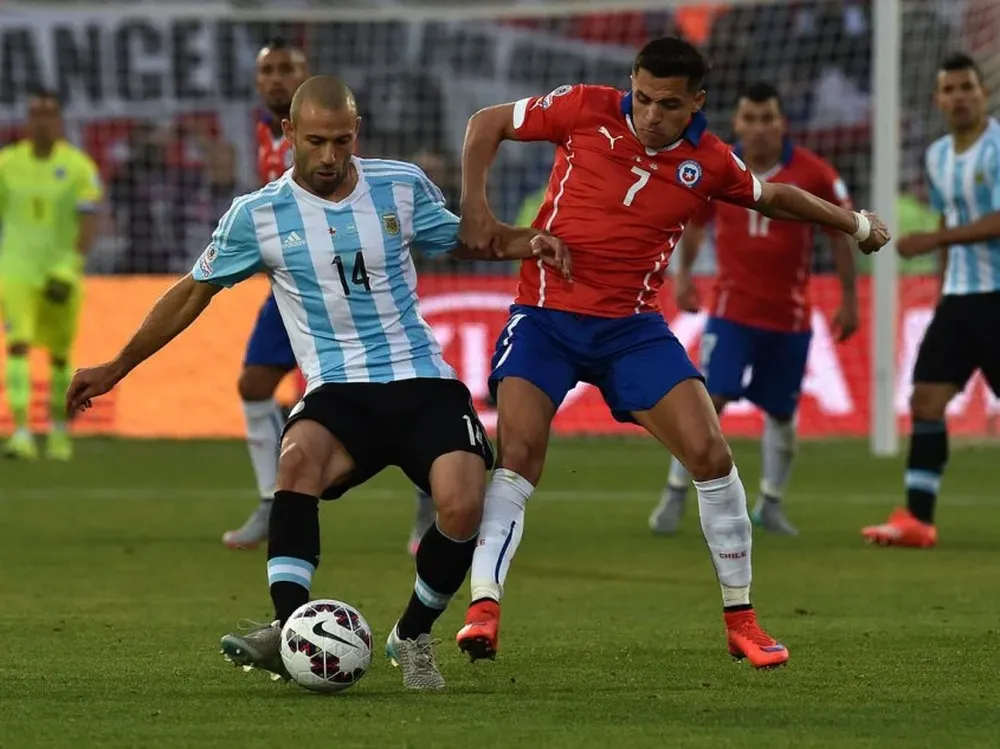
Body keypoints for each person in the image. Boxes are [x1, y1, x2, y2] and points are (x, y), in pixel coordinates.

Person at [65, 76, 569, 691]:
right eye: (317, 142)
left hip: (421, 379)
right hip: (337, 390)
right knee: (297, 462)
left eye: (343, 141)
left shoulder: (400, 185)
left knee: (463, 504)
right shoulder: (257, 215)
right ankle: (289, 631)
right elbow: (192, 293)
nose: (331, 156)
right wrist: (115, 367)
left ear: (356, 134)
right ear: (289, 135)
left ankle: (412, 636)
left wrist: (530, 242)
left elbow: (465, 241)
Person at [455, 37, 888, 668]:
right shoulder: (583, 107)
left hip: (632, 328)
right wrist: (477, 211)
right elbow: (485, 123)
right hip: (545, 316)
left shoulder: (709, 161)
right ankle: (483, 610)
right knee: (518, 451)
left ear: (697, 104)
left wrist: (852, 223)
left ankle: (743, 621)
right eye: (644, 97)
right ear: (631, 84)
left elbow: (776, 197)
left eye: (669, 104)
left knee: (712, 454)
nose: (651, 114)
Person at [650, 81, 859, 537]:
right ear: (738, 122)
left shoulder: (814, 173)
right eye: (751, 118)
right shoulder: (719, 164)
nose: (760, 128)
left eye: (769, 118)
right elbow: (695, 223)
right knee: (708, 401)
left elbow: (839, 235)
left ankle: (772, 503)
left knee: (782, 413)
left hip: (791, 317)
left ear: (782, 122)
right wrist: (683, 276)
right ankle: (675, 491)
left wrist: (849, 299)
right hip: (732, 312)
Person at [862, 52, 1000, 548]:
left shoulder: (997, 147)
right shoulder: (938, 155)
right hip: (960, 300)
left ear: (983, 93)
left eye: (968, 87)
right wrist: (944, 285)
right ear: (938, 99)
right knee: (926, 401)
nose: (960, 96)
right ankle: (918, 520)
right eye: (951, 89)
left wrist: (935, 244)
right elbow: (945, 220)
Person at [222, 38, 308, 550]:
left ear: (304, 74)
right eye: (268, 70)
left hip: (334, 284)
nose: (276, 78)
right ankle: (274, 501)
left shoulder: (324, 128)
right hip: (286, 286)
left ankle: (430, 493)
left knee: (372, 397)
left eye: (286, 68)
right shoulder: (261, 129)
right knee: (254, 384)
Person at [0, 88, 102, 460]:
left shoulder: (78, 167)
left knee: (60, 356)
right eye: (34, 113)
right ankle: (22, 433)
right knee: (17, 346)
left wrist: (69, 267)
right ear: (27, 120)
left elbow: (89, 222)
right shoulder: (6, 163)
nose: (41, 121)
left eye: (48, 113)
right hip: (16, 270)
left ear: (59, 120)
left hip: (61, 272)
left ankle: (59, 435)